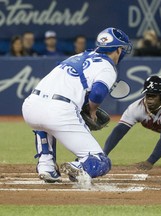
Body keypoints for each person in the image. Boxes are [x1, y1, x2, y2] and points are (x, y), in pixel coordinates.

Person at [22, 27, 132, 183]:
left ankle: (46, 166)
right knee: (101, 161)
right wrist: (92, 109)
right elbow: (98, 93)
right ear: (119, 50)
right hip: (58, 111)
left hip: (30, 106)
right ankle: (78, 166)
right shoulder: (107, 67)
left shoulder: (80, 55)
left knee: (43, 124)